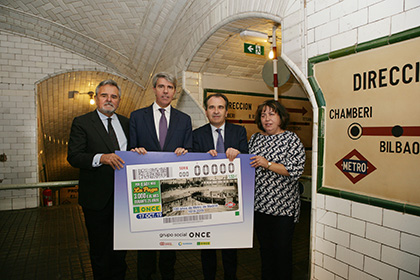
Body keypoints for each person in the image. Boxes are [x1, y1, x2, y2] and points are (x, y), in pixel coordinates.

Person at [129, 72, 192, 280]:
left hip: (172, 190)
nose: (166, 91)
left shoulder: (184, 120)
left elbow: (189, 151)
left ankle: (168, 275)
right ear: (154, 89)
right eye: (161, 86)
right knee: (145, 241)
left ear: (175, 92)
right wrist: (134, 152)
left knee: (168, 241)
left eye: (170, 87)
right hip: (145, 188)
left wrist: (185, 152)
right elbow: (131, 149)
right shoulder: (137, 116)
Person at [67, 79, 129, 280]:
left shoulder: (127, 123)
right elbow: (74, 156)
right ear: (96, 98)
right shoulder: (82, 122)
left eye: (114, 96)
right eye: (104, 95)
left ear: (119, 100)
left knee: (121, 250)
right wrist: (101, 158)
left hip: (124, 199)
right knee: (100, 251)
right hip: (97, 200)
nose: (109, 100)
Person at [192, 93, 248, 280]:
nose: (216, 111)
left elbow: (247, 162)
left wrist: (238, 153)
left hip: (231, 200)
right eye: (211, 107)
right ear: (206, 111)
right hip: (206, 200)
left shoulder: (239, 132)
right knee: (207, 247)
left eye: (220, 107)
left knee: (229, 247)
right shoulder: (196, 135)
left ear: (226, 111)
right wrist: (203, 158)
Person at [249, 100, 306, 280]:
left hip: (283, 209)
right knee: (265, 251)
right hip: (260, 207)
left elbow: (295, 170)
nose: (267, 119)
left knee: (282, 252)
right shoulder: (256, 139)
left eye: (271, 114)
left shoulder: (291, 139)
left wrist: (268, 164)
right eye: (263, 115)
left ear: (281, 117)